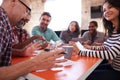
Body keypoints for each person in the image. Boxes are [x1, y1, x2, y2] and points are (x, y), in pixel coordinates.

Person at [0, 0, 66, 80]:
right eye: (26, 11)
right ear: (13, 1)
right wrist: (34, 63)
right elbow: (41, 44)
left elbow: (57, 41)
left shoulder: (8, 25)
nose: (26, 17)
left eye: (47, 20)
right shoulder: (34, 30)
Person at [77, 0, 120, 79]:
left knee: (86, 76)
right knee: (85, 71)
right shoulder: (113, 30)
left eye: (110, 7)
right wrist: (90, 47)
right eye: (104, 10)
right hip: (113, 66)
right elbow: (105, 47)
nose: (106, 11)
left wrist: (81, 52)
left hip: (118, 71)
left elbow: (110, 54)